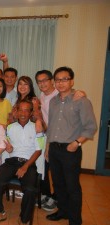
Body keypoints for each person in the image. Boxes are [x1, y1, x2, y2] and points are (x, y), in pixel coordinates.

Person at [46, 67, 97, 225]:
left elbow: (91, 126)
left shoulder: (81, 100)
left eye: (65, 79)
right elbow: (52, 127)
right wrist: (48, 148)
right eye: (58, 80)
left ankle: (75, 220)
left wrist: (77, 142)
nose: (61, 83)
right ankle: (62, 211)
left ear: (72, 81)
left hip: (70, 150)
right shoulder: (53, 101)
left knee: (72, 186)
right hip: (54, 149)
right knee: (58, 184)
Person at [0, 100, 42, 225]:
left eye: (26, 110)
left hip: (28, 163)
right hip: (11, 162)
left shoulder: (37, 128)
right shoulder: (10, 127)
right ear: (16, 112)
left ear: (31, 112)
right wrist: (9, 148)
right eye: (20, 110)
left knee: (30, 189)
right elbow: (8, 146)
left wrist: (25, 167)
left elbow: (38, 151)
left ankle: (24, 219)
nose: (23, 113)